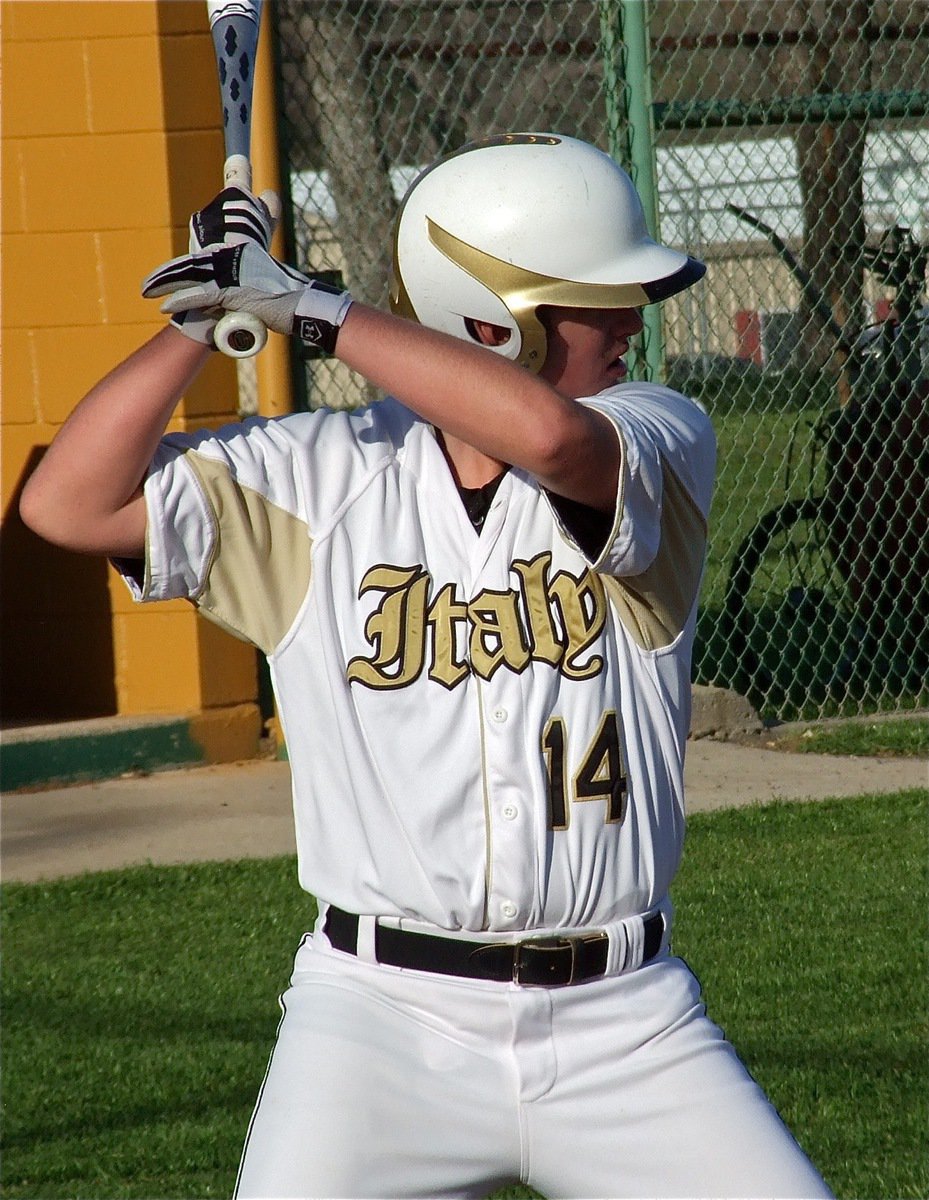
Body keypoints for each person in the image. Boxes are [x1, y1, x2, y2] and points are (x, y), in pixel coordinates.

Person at [20, 132, 832, 1199]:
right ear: (491, 322)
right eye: (593, 302)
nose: (631, 321)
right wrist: (201, 318)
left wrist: (309, 309)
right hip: (378, 1024)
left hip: (626, 1021)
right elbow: (67, 505)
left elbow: (552, 442)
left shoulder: (656, 429)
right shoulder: (317, 475)